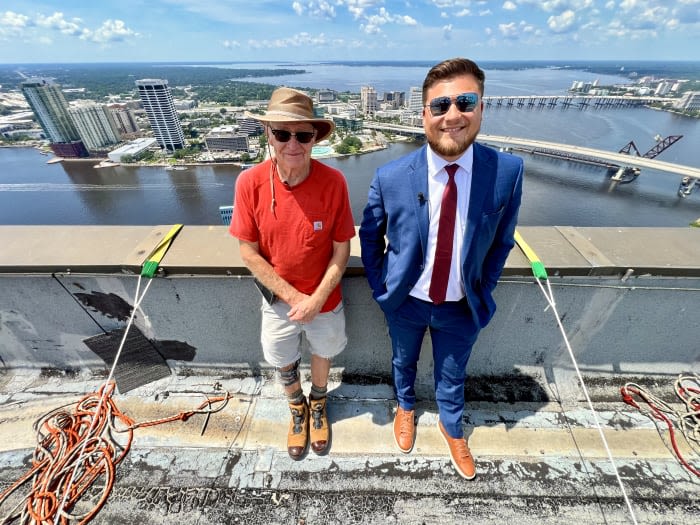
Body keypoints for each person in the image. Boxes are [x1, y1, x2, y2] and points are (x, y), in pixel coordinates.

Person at [359, 58, 523, 479]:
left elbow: (503, 241)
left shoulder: (507, 172)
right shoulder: (390, 176)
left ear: (482, 108)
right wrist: (383, 289)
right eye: (440, 105)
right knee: (402, 362)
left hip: (461, 305)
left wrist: (482, 291)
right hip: (406, 301)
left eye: (465, 102)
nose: (453, 115)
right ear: (424, 114)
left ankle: (453, 427)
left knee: (454, 373)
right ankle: (406, 407)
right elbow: (371, 236)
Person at [230, 87, 356, 460]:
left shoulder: (334, 182)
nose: (292, 144)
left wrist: (316, 298)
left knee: (324, 350)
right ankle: (296, 407)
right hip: (278, 300)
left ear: (315, 138)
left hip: (325, 298)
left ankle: (318, 403)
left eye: (303, 135)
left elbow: (342, 248)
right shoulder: (249, 183)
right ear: (268, 135)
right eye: (282, 133)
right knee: (281, 355)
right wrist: (294, 298)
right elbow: (247, 253)